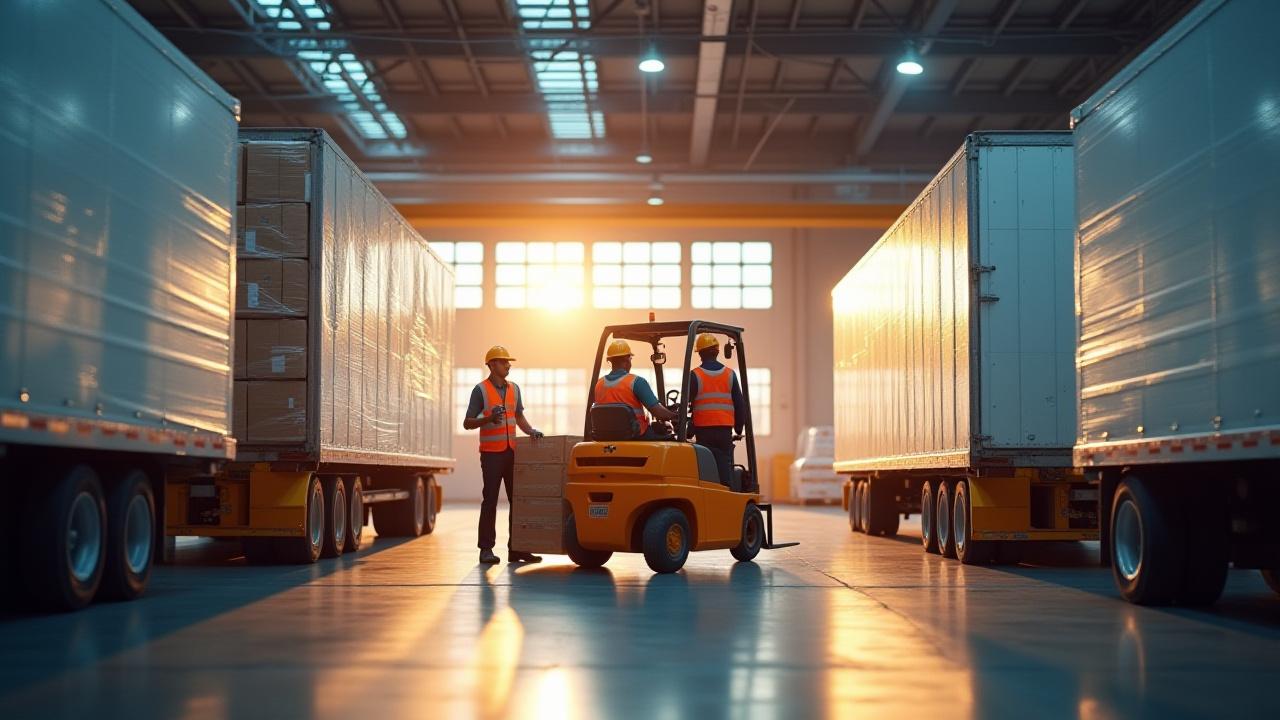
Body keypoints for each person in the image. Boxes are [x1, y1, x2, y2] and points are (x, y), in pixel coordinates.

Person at [462, 345, 544, 565]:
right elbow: (467, 422)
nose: (508, 365)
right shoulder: (480, 390)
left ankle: (517, 548)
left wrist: (531, 431)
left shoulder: (514, 389)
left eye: (509, 362)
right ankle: (486, 549)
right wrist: (488, 419)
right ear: (491, 365)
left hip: (512, 453)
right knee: (490, 501)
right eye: (504, 362)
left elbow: (519, 416)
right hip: (491, 455)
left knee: (518, 501)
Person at [688, 333, 746, 487]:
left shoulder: (695, 375)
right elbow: (740, 404)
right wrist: (738, 428)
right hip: (724, 431)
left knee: (705, 467)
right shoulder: (730, 374)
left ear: (700, 354)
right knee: (725, 466)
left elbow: (687, 405)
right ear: (717, 351)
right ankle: (726, 491)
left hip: (703, 432)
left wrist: (688, 430)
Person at [592, 339, 677, 439]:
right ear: (627, 359)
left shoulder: (599, 384)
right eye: (630, 359)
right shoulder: (636, 382)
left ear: (610, 361)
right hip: (637, 437)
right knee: (670, 438)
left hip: (606, 437)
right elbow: (659, 413)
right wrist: (675, 416)